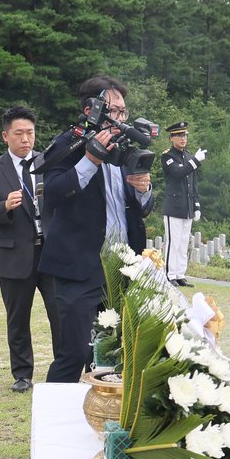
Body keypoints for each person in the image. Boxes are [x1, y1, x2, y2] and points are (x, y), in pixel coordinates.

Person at [38, 75, 154, 383]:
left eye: (123, 112)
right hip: (80, 267)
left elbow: (140, 207)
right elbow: (52, 194)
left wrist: (144, 189)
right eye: (113, 111)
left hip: (122, 268)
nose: (119, 118)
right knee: (74, 353)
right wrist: (90, 160)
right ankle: (56, 426)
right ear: (93, 108)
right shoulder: (70, 142)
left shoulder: (126, 148)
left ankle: (108, 421)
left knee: (120, 352)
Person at [0, 105, 60, 392]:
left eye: (30, 133)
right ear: (5, 136)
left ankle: (65, 369)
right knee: (18, 320)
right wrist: (4, 207)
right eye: (19, 133)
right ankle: (22, 374)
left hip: (50, 253)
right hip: (14, 257)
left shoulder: (49, 162)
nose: (26, 139)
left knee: (61, 315)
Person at [159, 120, 203, 287]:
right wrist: (195, 162)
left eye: (184, 135)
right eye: (178, 135)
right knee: (173, 242)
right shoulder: (167, 156)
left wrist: (197, 205)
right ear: (171, 138)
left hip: (187, 208)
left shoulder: (189, 156)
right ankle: (170, 275)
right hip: (174, 207)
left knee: (184, 243)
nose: (182, 138)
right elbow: (178, 173)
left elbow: (194, 184)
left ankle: (180, 274)